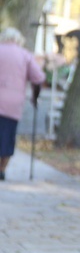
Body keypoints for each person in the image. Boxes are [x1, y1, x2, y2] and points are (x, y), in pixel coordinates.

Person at [0, 27, 45, 181]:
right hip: (12, 103)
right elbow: (38, 79)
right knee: (7, 135)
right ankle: (2, 168)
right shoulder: (24, 55)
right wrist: (34, 96)